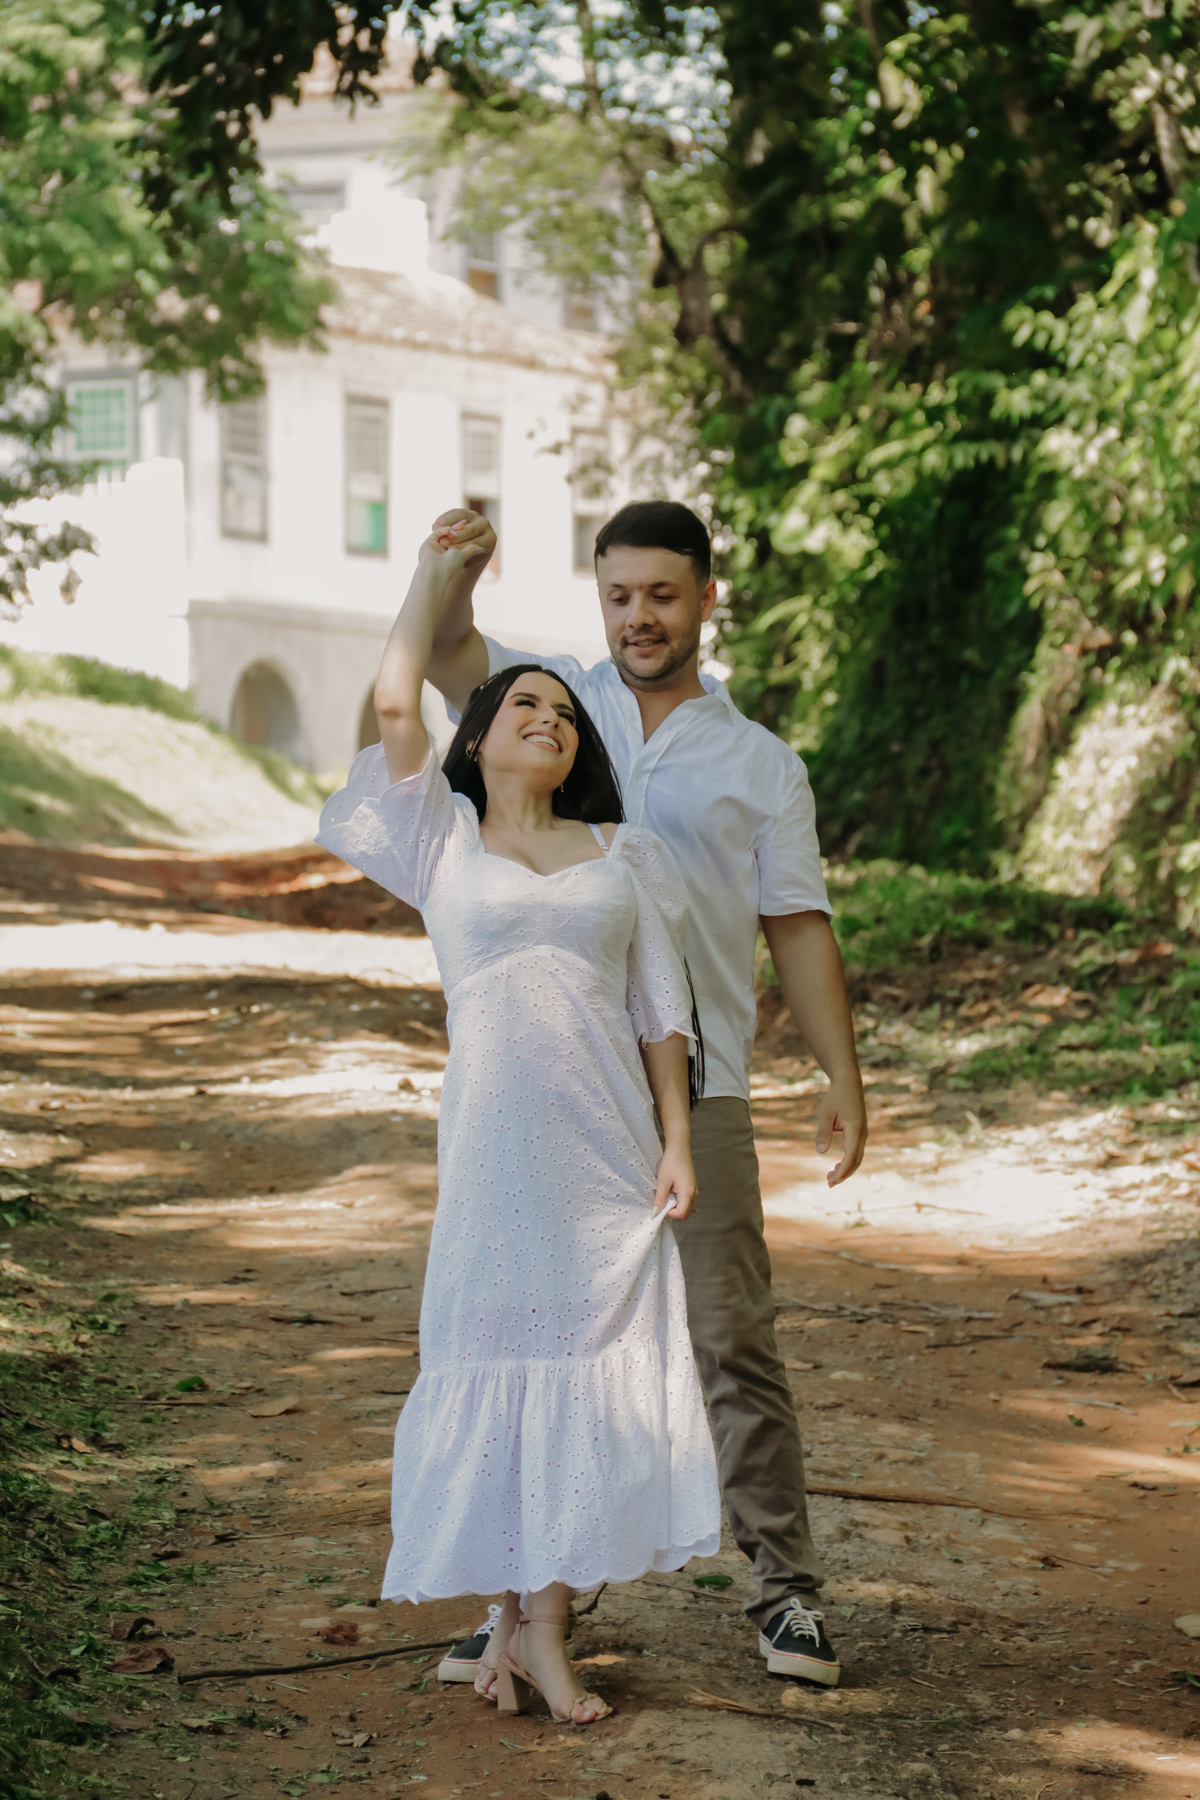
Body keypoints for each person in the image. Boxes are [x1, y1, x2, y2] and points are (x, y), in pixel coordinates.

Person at [422, 500, 867, 1690]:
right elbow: (446, 654)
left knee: (729, 1335)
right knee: (541, 1333)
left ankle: (786, 1591)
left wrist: (840, 1073)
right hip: (551, 1092)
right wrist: (454, 566)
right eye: (618, 595)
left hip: (694, 1085)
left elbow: (798, 925)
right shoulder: (559, 702)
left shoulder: (761, 764)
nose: (638, 617)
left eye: (662, 595)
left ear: (707, 598)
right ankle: (524, 1601)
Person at [316, 521, 721, 1726]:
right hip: (494, 1157)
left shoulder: (621, 852)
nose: (548, 715)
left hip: (606, 1154)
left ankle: (541, 1631)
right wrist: (436, 574)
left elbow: (660, 1009)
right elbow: (397, 698)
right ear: (480, 737)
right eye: (522, 703)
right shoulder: (440, 841)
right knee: (495, 1359)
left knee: (585, 1373)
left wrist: (678, 1140)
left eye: (564, 709)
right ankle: (510, 1626)